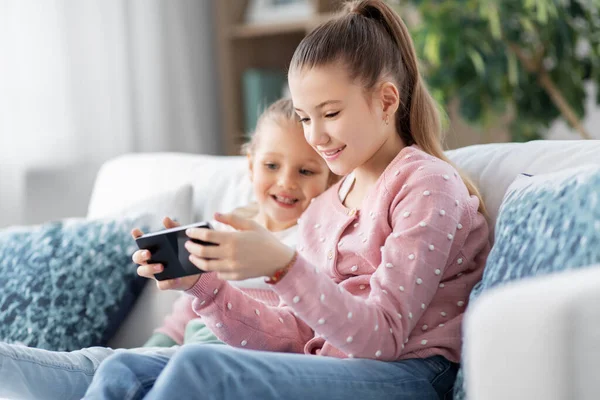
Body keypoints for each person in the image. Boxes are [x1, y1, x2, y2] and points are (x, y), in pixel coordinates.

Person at [83, 1, 491, 399]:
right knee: (123, 369)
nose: (315, 137)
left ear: (386, 101)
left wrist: (283, 265)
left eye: (330, 114)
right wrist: (204, 287)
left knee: (201, 367)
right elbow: (294, 336)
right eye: (306, 117)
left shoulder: (426, 184)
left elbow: (382, 336)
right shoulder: (324, 208)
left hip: (409, 372)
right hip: (333, 366)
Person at [0, 98, 335, 400]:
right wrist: (149, 348)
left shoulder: (317, 238)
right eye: (271, 166)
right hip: (188, 348)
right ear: (250, 164)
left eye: (306, 171)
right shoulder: (225, 227)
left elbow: (304, 320)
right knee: (113, 367)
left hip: (242, 357)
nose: (287, 182)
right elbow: (188, 310)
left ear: (331, 177)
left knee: (132, 372)